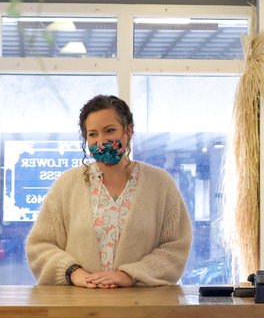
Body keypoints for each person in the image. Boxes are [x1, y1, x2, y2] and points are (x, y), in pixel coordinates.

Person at [26, 94, 192, 287]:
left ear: (128, 131)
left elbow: (175, 247)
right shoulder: (67, 185)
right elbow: (40, 246)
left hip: (145, 307)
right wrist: (72, 272)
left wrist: (130, 275)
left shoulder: (160, 184)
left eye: (110, 130)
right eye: (93, 134)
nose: (101, 141)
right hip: (78, 307)